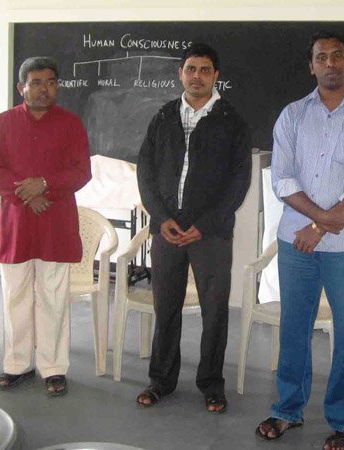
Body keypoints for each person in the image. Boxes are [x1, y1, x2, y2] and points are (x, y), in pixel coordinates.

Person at [255, 32, 344, 450]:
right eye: (322, 57)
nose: (330, 63)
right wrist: (318, 220)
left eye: (337, 56)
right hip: (296, 245)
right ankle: (287, 409)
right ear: (311, 66)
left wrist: (317, 228)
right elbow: (282, 179)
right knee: (294, 329)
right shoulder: (293, 115)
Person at [136, 43, 252, 413]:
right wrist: (161, 218)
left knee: (214, 311)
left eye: (204, 70)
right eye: (190, 69)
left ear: (216, 75)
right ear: (181, 74)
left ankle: (211, 384)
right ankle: (161, 381)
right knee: (166, 307)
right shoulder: (164, 116)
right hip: (167, 230)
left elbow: (239, 182)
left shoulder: (232, 121)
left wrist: (204, 225)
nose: (196, 76)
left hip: (211, 233)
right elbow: (145, 170)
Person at [0, 56, 91, 397]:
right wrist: (26, 195)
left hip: (55, 223)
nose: (45, 89)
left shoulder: (70, 124)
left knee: (52, 297)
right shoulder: (4, 123)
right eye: (37, 83)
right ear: (22, 87)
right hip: (16, 223)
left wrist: (44, 185)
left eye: (51, 82)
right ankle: (17, 364)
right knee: (14, 296)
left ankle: (53, 367)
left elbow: (81, 171)